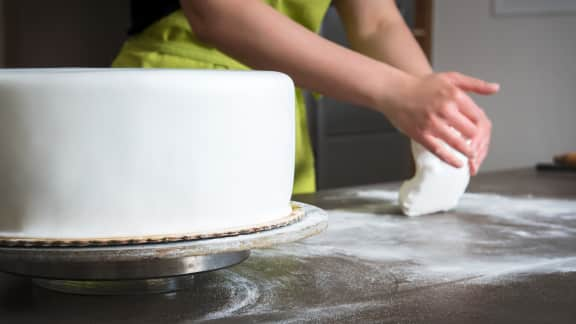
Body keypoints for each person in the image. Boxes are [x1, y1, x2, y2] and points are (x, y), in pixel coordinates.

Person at [113, 0, 500, 195]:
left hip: (275, 118)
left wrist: (438, 105)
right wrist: (397, 91)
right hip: (177, 105)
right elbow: (217, 11)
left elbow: (376, 20)